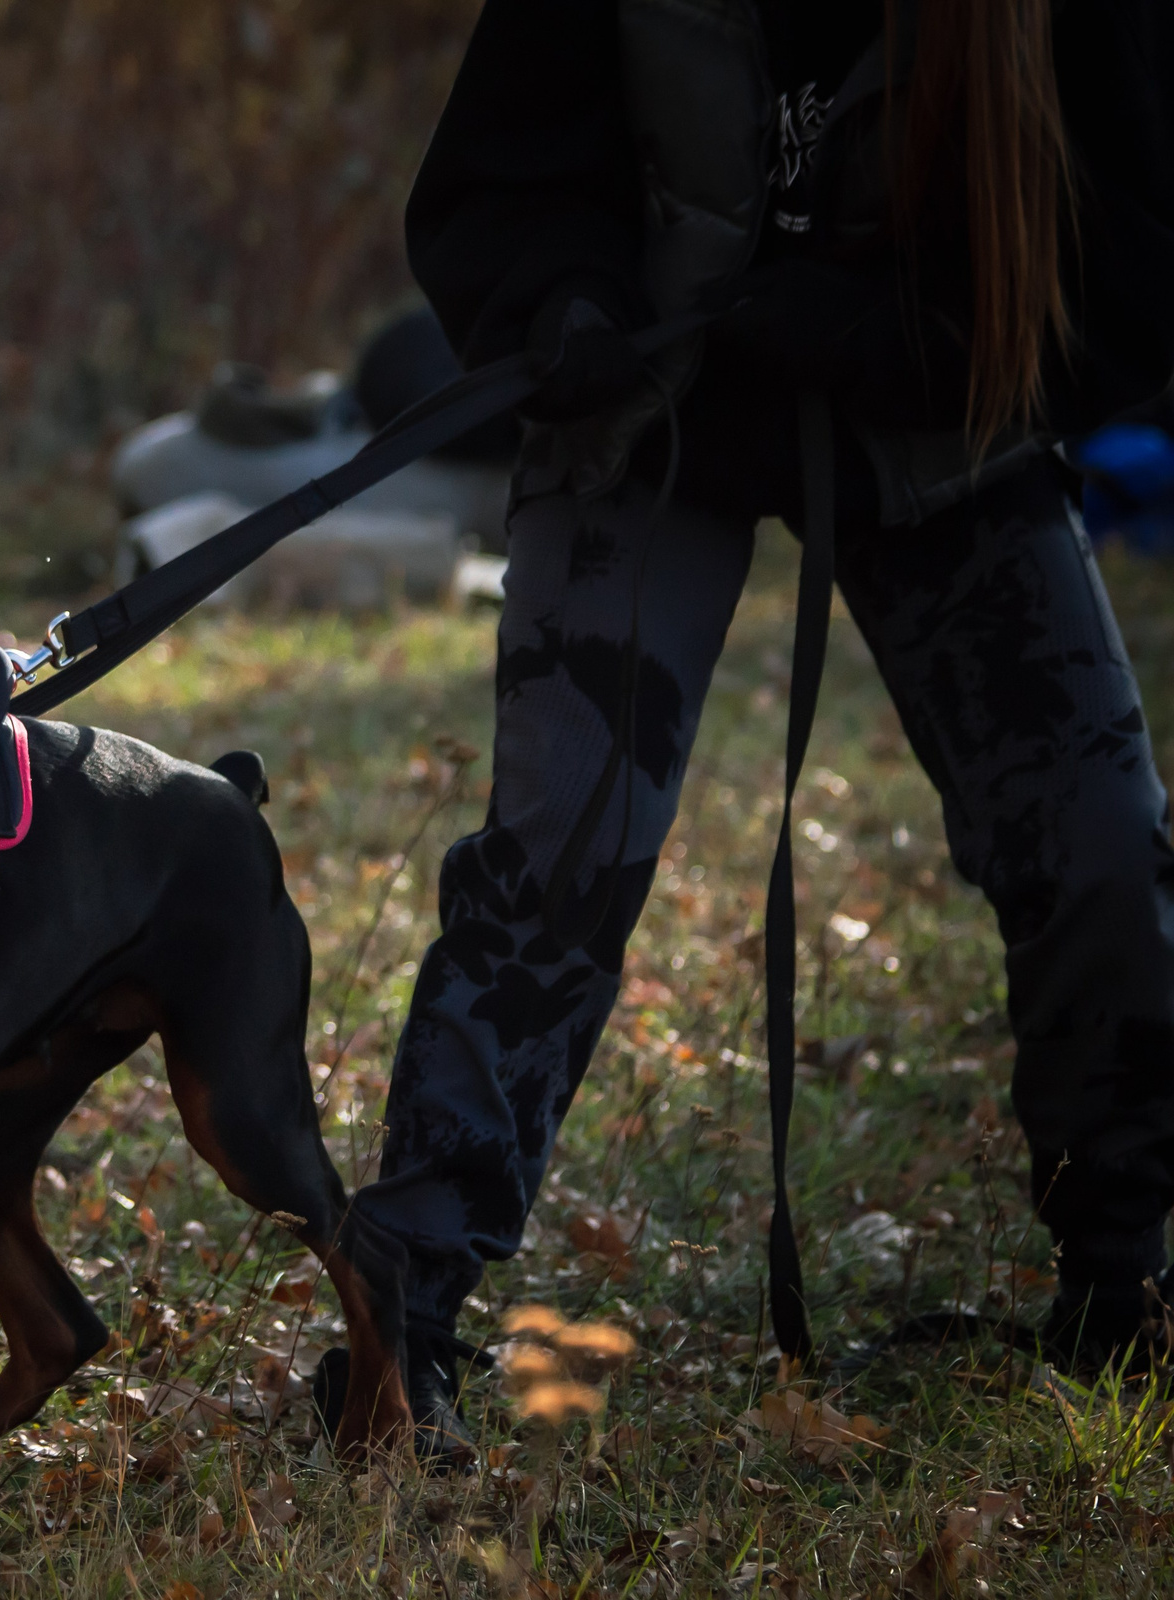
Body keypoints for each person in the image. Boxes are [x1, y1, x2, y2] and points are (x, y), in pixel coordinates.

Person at [353, 0, 1174, 1461]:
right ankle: (397, 1317)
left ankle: (1126, 1287)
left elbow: (1138, 265)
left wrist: (910, 341)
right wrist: (566, 304)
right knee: (558, 849)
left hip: (944, 395)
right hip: (647, 406)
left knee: (1101, 842)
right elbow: (494, 182)